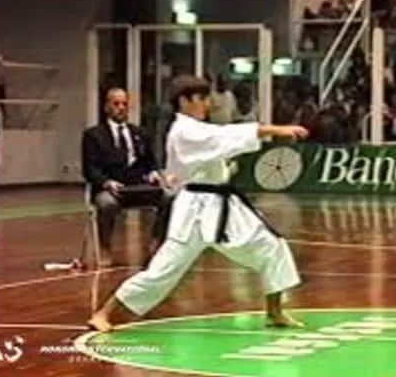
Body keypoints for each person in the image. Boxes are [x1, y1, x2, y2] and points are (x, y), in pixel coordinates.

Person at [87, 75, 309, 332]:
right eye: (201, 98)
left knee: (272, 246)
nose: (207, 104)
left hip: (222, 205)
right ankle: (103, 313)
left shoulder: (197, 129)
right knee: (163, 270)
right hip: (194, 210)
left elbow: (218, 145)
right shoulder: (184, 130)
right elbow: (224, 136)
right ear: (184, 101)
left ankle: (275, 311)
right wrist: (276, 130)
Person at [81, 88, 166, 267]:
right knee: (107, 204)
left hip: (138, 188)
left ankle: (156, 243)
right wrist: (106, 182)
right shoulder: (93, 135)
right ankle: (105, 247)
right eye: (116, 104)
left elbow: (150, 162)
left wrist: (153, 173)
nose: (121, 108)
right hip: (111, 189)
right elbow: (90, 169)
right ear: (106, 107)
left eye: (124, 104)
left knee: (168, 197)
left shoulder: (140, 133)